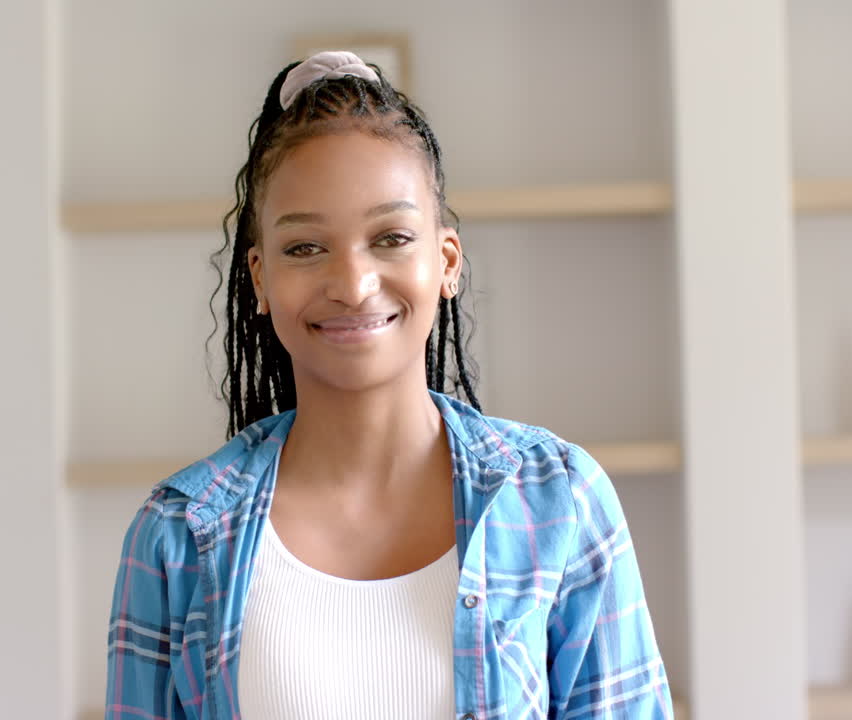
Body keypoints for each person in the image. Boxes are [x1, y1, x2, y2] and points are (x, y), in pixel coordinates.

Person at [105, 50, 672, 720]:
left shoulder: (563, 503)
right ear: (259, 279)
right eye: (305, 247)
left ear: (446, 261)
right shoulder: (175, 534)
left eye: (391, 237)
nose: (351, 285)